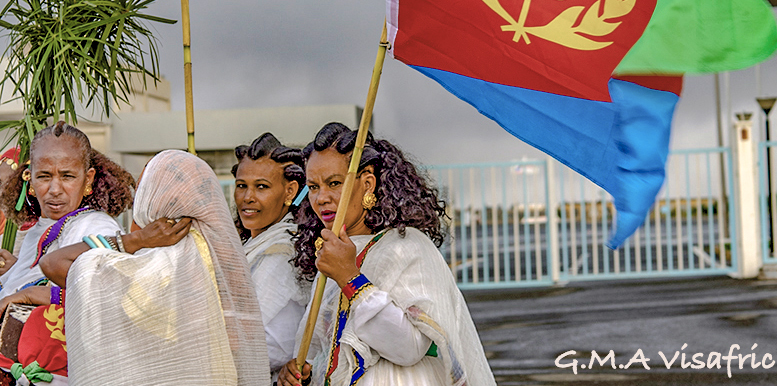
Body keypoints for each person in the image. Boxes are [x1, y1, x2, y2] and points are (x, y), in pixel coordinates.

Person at [280, 122, 496, 386]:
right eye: (313, 187)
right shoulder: (330, 256)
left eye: (334, 183)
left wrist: (350, 279)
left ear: (367, 183)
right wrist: (303, 370)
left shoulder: (406, 246)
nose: (321, 197)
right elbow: (326, 350)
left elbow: (408, 349)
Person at [49, 149, 270, 386]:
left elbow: (54, 263)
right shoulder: (220, 254)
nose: (138, 199)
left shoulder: (157, 265)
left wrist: (135, 240)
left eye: (144, 189)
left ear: (157, 197)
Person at [0, 122, 135, 384]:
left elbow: (106, 299)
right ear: (29, 178)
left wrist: (28, 294)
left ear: (88, 179)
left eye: (67, 176)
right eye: (44, 176)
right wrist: (15, 272)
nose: (54, 189)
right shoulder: (39, 230)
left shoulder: (98, 228)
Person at [233, 133, 310, 381]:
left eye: (262, 187)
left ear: (290, 192)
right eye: (241, 185)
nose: (248, 197)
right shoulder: (248, 245)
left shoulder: (282, 253)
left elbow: (275, 346)